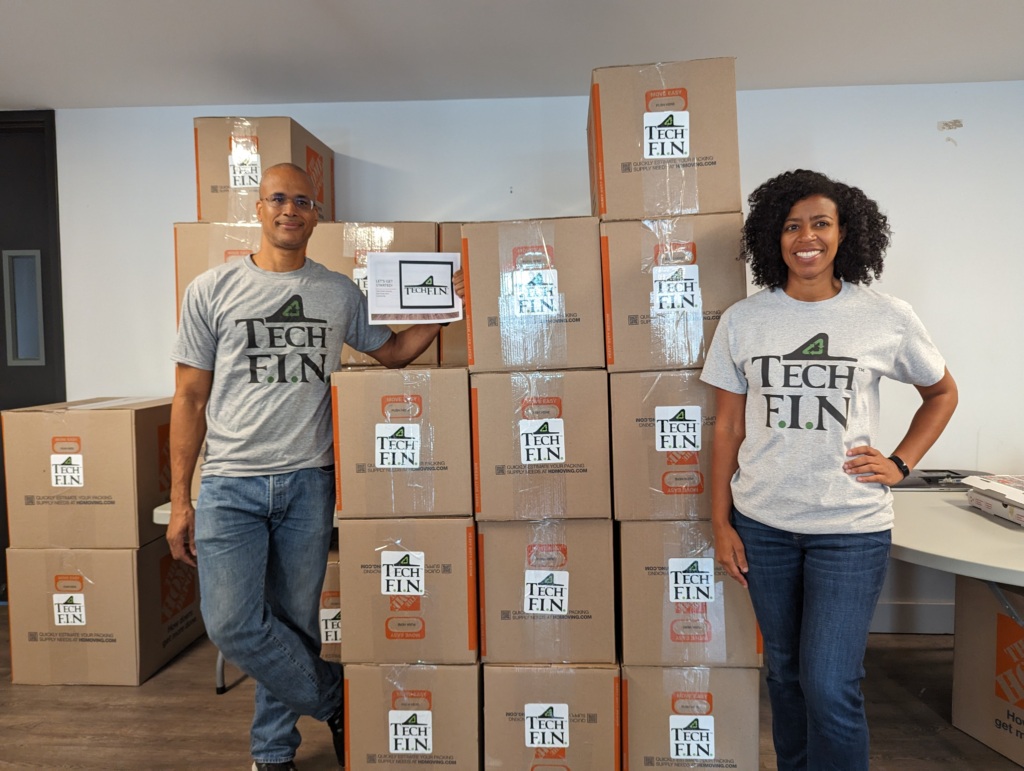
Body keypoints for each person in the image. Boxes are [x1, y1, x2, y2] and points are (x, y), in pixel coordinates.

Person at [166, 162, 460, 771]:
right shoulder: (211, 290)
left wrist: (443, 308)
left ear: (316, 215)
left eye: (302, 200)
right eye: (278, 198)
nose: (289, 209)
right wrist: (181, 496)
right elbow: (190, 398)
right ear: (259, 208)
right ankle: (336, 697)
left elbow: (395, 353)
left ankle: (273, 754)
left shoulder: (338, 292)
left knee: (294, 625)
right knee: (231, 623)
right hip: (229, 483)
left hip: (307, 481)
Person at [700, 169, 958, 771]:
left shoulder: (885, 316)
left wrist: (900, 463)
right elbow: (727, 429)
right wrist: (720, 524)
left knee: (829, 682)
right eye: (791, 226)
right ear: (773, 238)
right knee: (785, 673)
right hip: (763, 523)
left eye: (821, 223)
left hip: (850, 527)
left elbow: (941, 393)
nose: (806, 237)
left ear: (846, 234)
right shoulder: (745, 320)